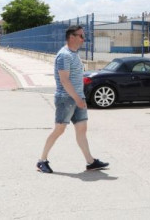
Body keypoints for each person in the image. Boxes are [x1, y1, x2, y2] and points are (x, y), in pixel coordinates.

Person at [36, 25, 109, 173]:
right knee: (59, 129)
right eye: (81, 36)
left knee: (82, 129)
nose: (83, 39)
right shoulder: (64, 55)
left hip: (77, 98)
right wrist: (77, 98)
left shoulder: (74, 54)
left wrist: (80, 97)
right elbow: (64, 80)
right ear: (71, 37)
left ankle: (90, 162)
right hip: (66, 99)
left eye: (83, 36)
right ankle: (41, 161)